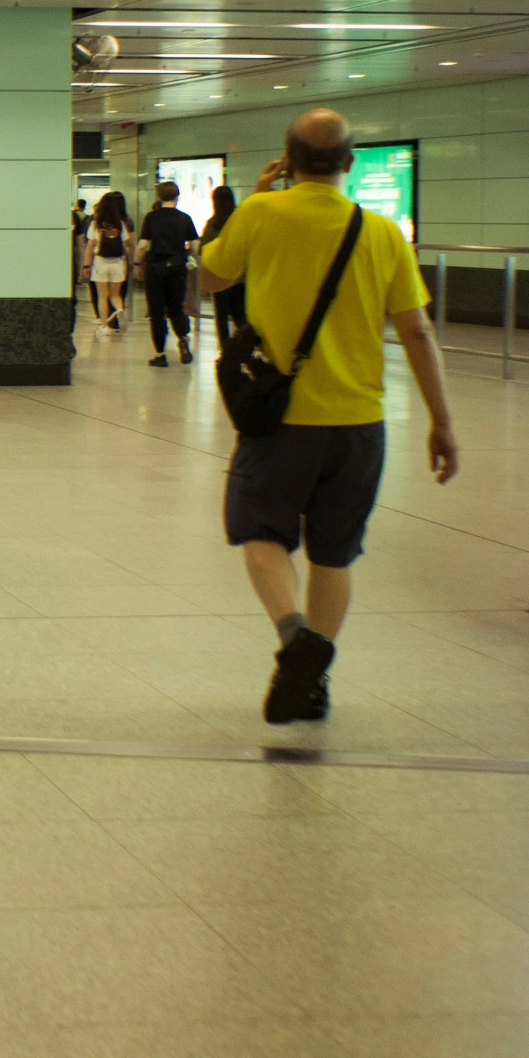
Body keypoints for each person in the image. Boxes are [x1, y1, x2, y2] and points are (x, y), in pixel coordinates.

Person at [199, 109, 459, 726]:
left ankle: (296, 639)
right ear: (350, 163)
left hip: (282, 420)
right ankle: (316, 683)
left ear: (287, 161)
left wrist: (255, 202)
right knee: (333, 555)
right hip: (360, 423)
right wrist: (441, 421)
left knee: (259, 532)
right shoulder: (383, 233)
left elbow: (211, 277)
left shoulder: (261, 214)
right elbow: (418, 332)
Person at [136, 179, 200, 368]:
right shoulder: (184, 218)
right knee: (176, 308)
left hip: (155, 269)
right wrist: (188, 256)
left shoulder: (151, 217)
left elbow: (143, 245)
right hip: (178, 268)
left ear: (158, 196)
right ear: (177, 196)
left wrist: (137, 262)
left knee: (156, 312)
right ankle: (182, 338)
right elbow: (195, 244)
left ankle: (160, 355)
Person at [201, 184, 243, 353]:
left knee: (221, 315)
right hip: (241, 277)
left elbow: (203, 249)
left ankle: (225, 350)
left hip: (219, 276)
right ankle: (245, 347)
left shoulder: (212, 224)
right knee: (241, 315)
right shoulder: (240, 219)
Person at [87, 190, 133, 333]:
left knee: (102, 296)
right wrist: (128, 263)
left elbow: (90, 246)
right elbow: (127, 245)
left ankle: (104, 326)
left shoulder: (96, 223)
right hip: (117, 262)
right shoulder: (120, 224)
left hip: (100, 262)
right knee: (115, 295)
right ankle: (119, 310)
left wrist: (85, 265)